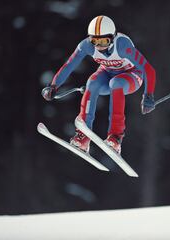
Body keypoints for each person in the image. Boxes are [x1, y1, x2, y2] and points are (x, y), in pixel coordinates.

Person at [42, 15, 156, 154]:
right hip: (107, 73)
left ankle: (115, 137)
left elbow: (148, 69)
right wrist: (54, 86)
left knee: (116, 83)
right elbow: (69, 65)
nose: (99, 46)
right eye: (94, 41)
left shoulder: (122, 46)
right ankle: (83, 136)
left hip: (131, 75)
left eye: (103, 41)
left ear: (112, 38)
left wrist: (148, 94)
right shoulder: (86, 46)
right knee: (92, 82)